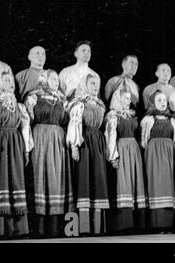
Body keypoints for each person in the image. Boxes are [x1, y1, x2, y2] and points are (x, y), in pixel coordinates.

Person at [25, 70, 74, 236]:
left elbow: (70, 121)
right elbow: (28, 119)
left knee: (57, 178)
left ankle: (56, 228)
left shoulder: (62, 99)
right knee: (41, 176)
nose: (56, 81)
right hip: (40, 138)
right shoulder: (33, 97)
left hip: (58, 139)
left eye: (57, 79)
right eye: (52, 78)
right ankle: (39, 228)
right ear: (44, 79)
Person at [66, 73, 109, 235]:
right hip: (84, 141)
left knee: (98, 179)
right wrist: (75, 146)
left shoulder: (100, 104)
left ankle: (98, 227)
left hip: (97, 141)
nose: (95, 86)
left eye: (96, 83)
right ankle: (84, 227)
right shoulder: (79, 103)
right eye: (92, 83)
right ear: (85, 85)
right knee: (84, 178)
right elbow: (74, 124)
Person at [140, 90, 175, 232]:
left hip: (170, 154)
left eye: (164, 100)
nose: (162, 102)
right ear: (153, 103)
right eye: (159, 100)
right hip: (154, 154)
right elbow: (144, 141)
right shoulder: (147, 119)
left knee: (170, 185)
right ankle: (157, 223)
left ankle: (170, 223)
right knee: (156, 185)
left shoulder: (173, 120)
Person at [105, 89, 146, 233]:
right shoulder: (113, 116)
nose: (128, 101)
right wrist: (113, 157)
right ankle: (123, 224)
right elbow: (111, 137)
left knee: (135, 183)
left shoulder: (132, 115)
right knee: (123, 183)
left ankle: (138, 224)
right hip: (121, 149)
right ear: (118, 99)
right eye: (125, 98)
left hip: (133, 150)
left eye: (129, 98)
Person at [0, 72, 33, 239]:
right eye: (6, 81)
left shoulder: (19, 106)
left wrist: (26, 150)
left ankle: (18, 228)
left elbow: (25, 129)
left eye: (12, 81)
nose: (10, 83)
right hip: (1, 143)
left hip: (16, 144)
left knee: (16, 180)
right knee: (2, 179)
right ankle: (2, 228)